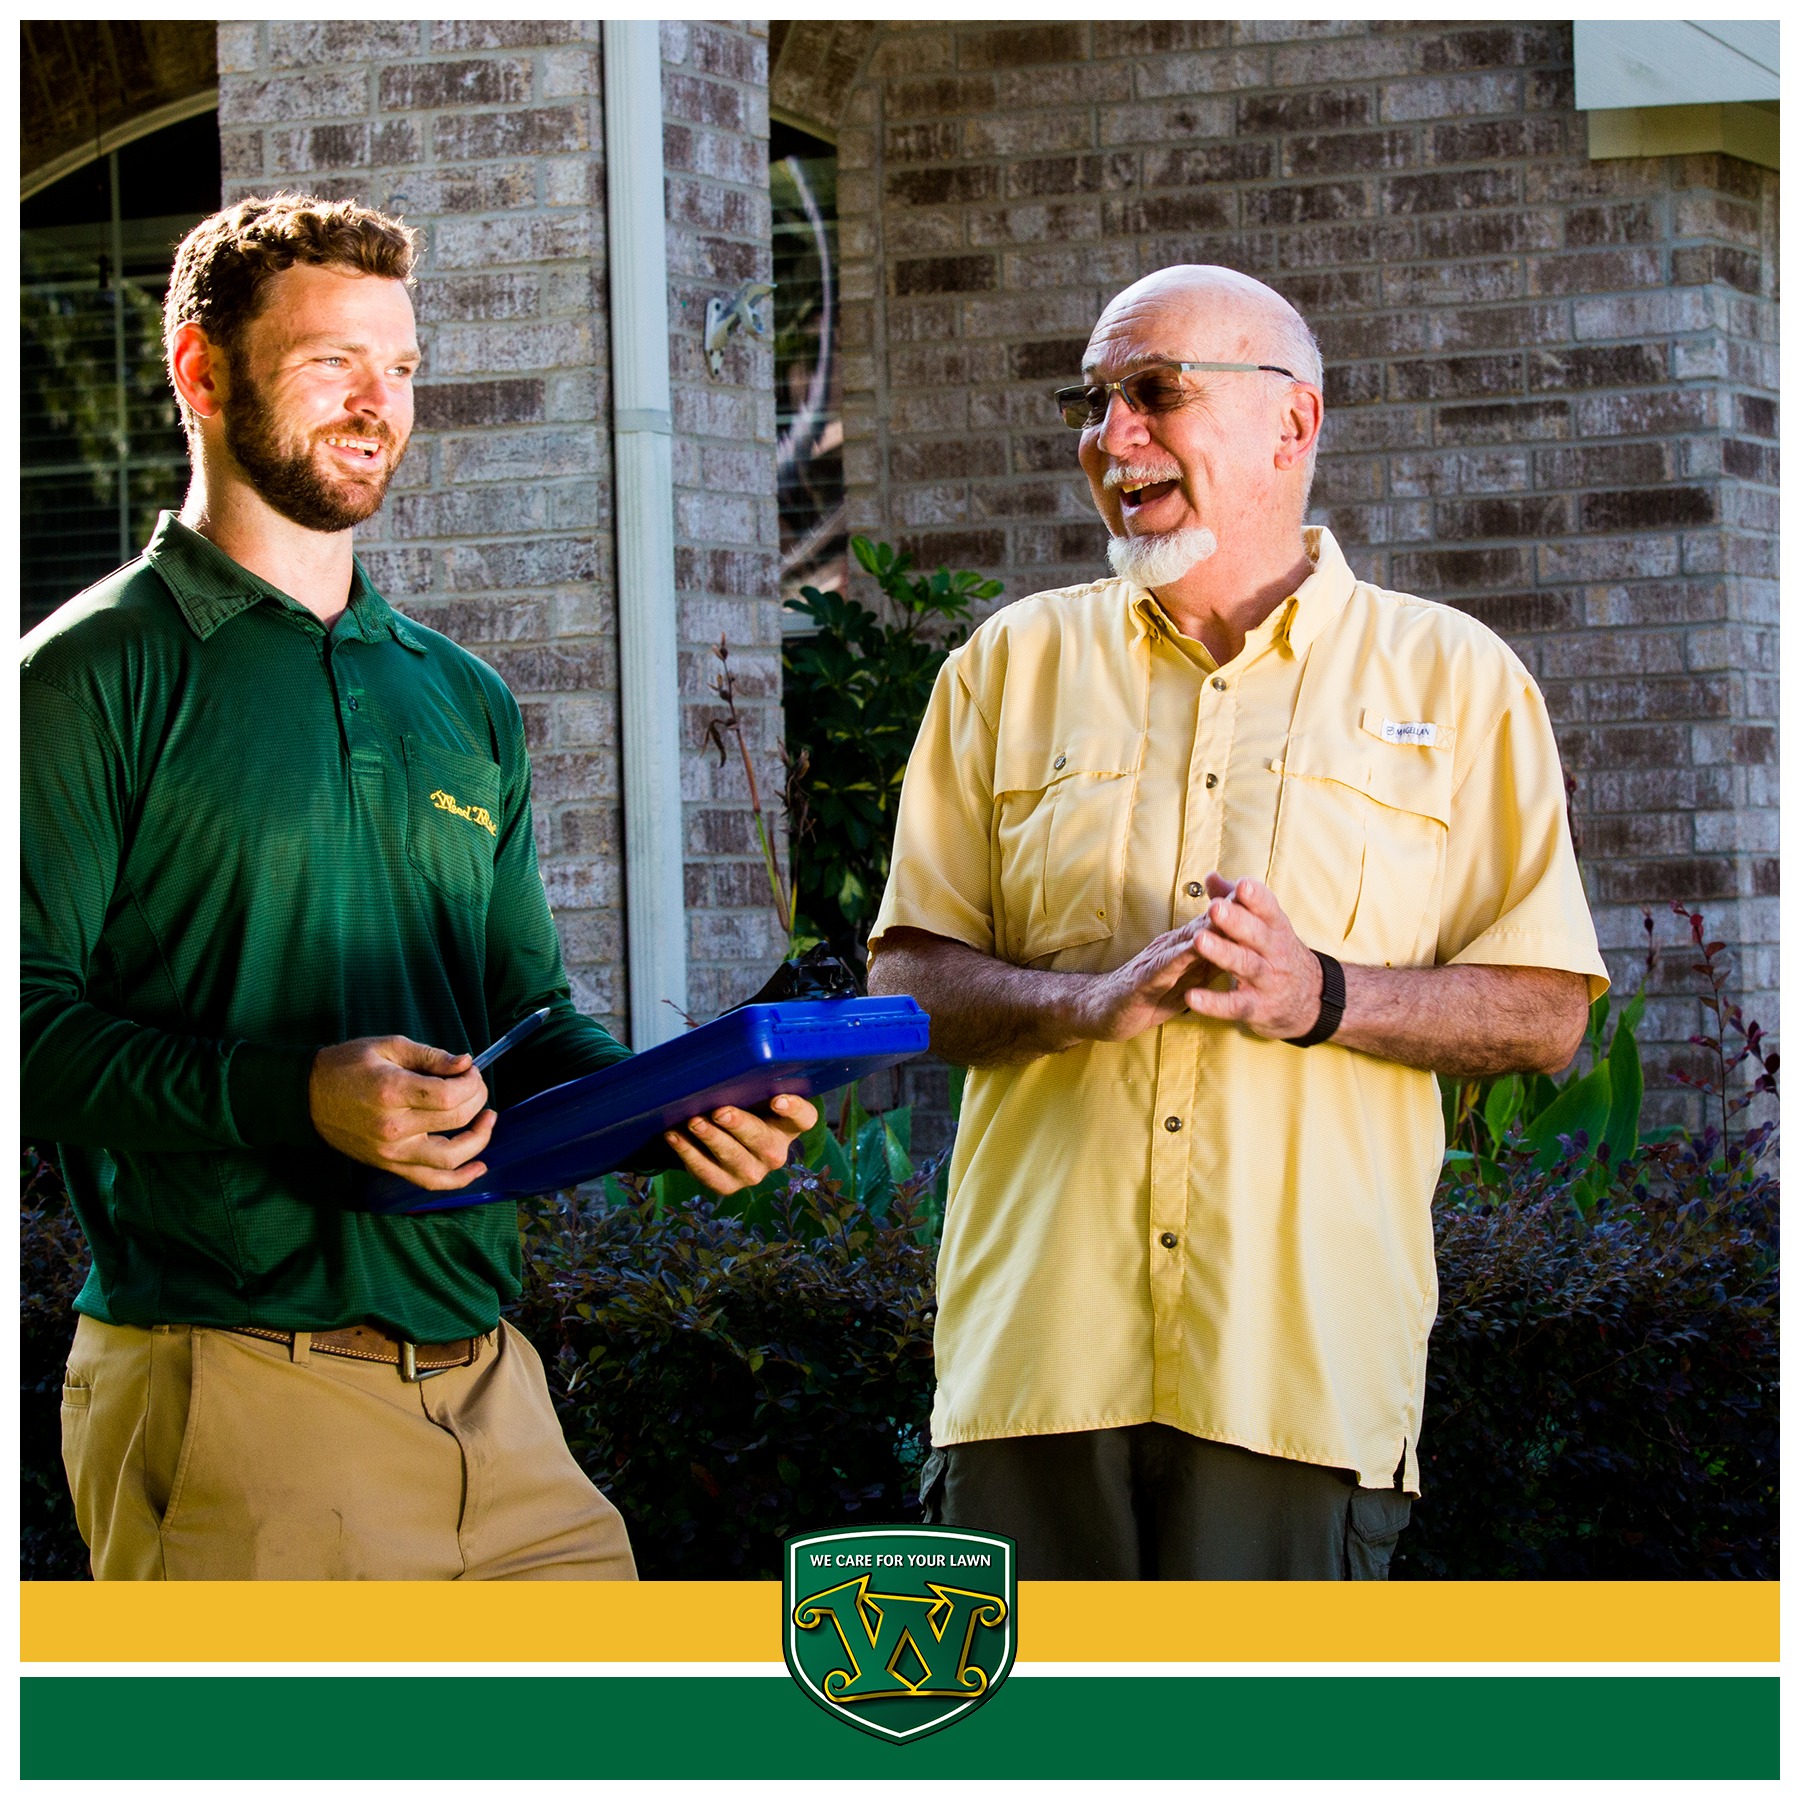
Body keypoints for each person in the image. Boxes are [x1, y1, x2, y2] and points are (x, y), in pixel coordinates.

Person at [21, 194, 816, 1581]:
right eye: (335, 361)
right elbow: (27, 1031)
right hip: (238, 1389)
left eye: (401, 367)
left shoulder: (464, 699)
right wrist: (298, 1096)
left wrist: (668, 1115)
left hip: (496, 1394)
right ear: (202, 374)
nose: (378, 403)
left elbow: (522, 1015)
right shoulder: (88, 675)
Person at [867, 264, 1608, 1580]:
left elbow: (1547, 1011)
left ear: (1293, 424)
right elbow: (909, 975)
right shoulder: (1004, 668)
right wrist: (1078, 1002)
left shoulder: (1461, 681)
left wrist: (1324, 995)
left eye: (1154, 395)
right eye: (1093, 404)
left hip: (1296, 1387)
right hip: (1038, 1374)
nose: (1112, 438)